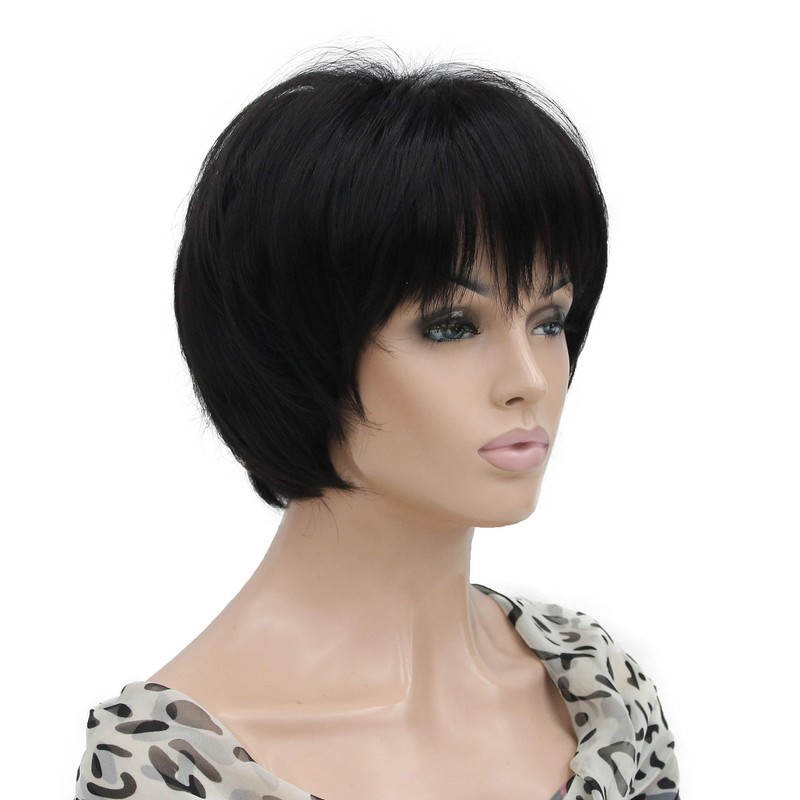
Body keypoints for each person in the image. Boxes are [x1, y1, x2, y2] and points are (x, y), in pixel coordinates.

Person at [74, 53, 680, 800]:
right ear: (296, 346)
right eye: (451, 326)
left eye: (548, 320)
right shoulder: (172, 770)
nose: (529, 378)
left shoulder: (602, 695)